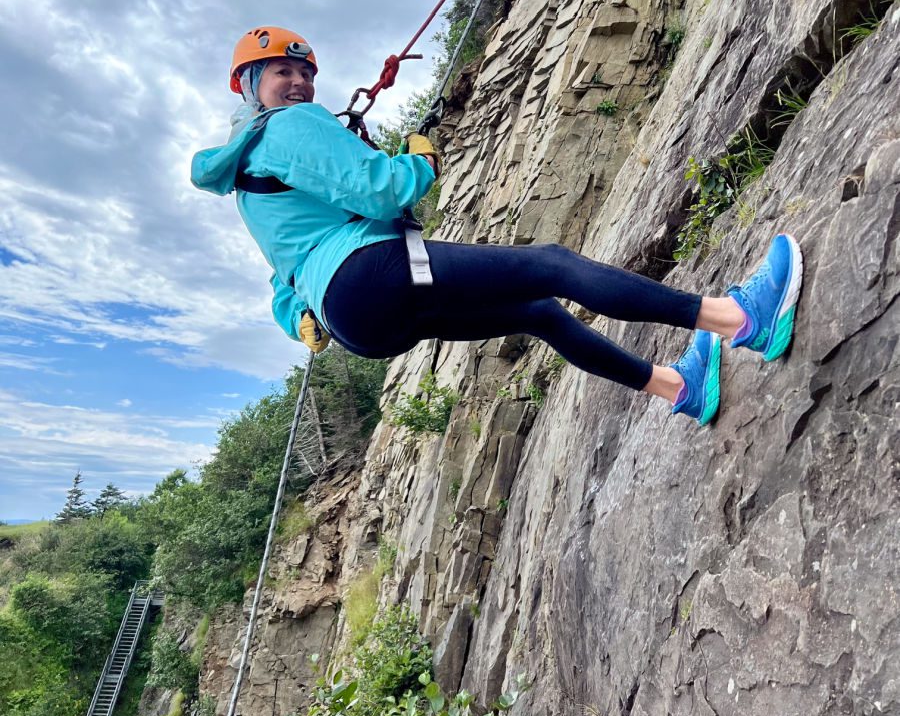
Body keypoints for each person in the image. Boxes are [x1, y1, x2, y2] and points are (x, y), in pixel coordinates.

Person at [192, 28, 803, 426]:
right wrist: (420, 160)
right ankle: (743, 319)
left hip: (354, 324)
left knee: (540, 313)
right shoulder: (290, 127)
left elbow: (283, 273)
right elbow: (384, 190)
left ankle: (679, 389)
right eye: (280, 74)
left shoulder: (244, 177)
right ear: (252, 86)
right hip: (369, 273)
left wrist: (294, 318)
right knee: (552, 265)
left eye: (304, 75)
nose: (298, 84)